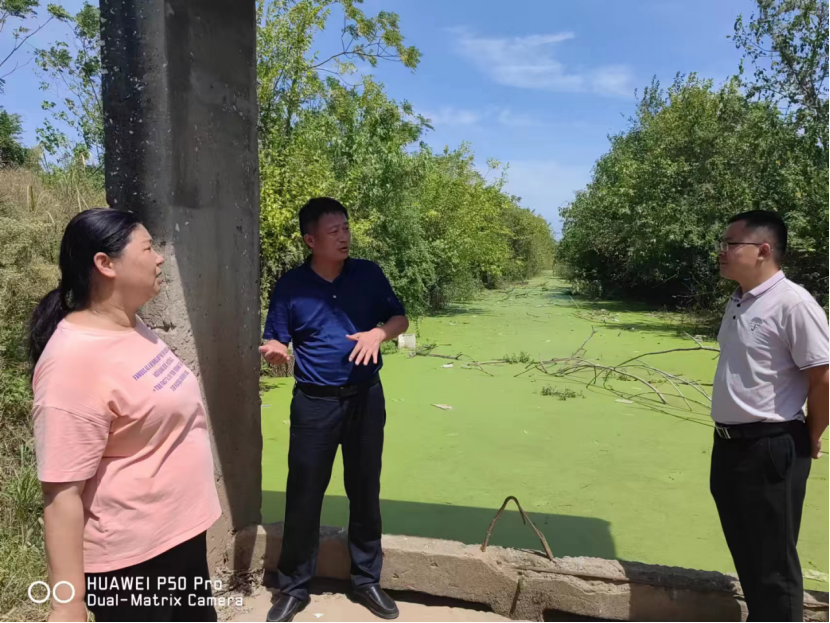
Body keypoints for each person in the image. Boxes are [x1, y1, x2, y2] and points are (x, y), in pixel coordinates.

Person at [29, 209, 222, 622]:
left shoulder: (131, 326)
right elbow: (61, 495)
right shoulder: (71, 362)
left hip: (179, 541)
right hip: (133, 565)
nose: (160, 258)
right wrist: (68, 603)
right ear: (105, 263)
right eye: (148, 248)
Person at [260, 197, 409, 622]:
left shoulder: (369, 274)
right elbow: (276, 338)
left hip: (365, 398)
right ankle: (294, 587)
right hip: (314, 404)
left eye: (346, 228)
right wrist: (275, 350)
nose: (344, 236)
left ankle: (366, 580)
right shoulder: (291, 286)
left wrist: (379, 334)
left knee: (365, 489)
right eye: (333, 231)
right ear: (311, 240)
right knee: (304, 494)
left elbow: (400, 318)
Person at [710, 210, 828, 621]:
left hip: (771, 448)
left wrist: (811, 435)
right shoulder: (739, 300)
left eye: (730, 244)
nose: (721, 251)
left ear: (762, 250)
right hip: (729, 446)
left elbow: (823, 378)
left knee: (774, 565)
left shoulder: (794, 304)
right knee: (747, 552)